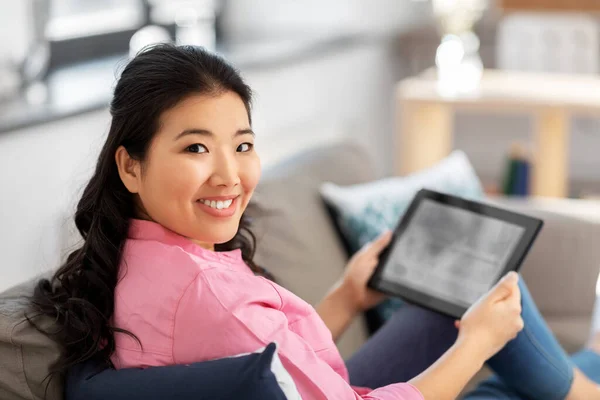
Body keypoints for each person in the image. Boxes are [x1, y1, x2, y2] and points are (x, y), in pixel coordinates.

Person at [30, 44, 600, 400]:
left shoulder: (137, 253)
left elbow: (271, 360)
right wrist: (473, 347)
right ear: (131, 165)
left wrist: (348, 296)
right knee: (500, 331)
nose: (229, 176)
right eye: (196, 149)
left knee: (472, 296)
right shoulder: (209, 294)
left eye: (243, 144)